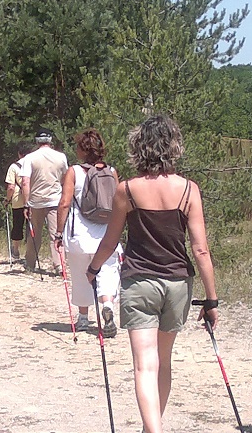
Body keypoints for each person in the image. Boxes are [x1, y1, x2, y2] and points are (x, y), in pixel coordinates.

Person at [87, 115, 219, 433]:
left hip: (139, 282)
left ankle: (153, 430)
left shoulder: (127, 190)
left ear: (138, 147)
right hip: (177, 284)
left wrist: (93, 269)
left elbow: (110, 240)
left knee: (145, 364)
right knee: (163, 359)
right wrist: (212, 299)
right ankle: (152, 427)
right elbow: (201, 249)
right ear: (173, 146)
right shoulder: (189, 190)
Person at [54, 128, 121, 337]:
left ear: (83, 150)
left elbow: (65, 203)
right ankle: (107, 305)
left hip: (79, 235)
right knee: (107, 272)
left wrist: (58, 232)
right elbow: (119, 204)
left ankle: (83, 318)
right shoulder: (111, 171)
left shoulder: (74, 171)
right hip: (106, 235)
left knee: (81, 275)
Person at [20, 128, 68, 273]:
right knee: (56, 233)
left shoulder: (30, 158)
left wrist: (26, 203)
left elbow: (25, 182)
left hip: (36, 201)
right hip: (55, 199)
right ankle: (59, 265)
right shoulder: (61, 157)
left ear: (37, 141)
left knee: (34, 233)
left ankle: (30, 263)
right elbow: (65, 178)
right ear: (50, 140)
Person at [4, 143, 32, 261]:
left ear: (19, 154)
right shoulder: (33, 164)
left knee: (17, 225)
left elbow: (11, 187)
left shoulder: (14, 167)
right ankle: (31, 252)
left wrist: (7, 199)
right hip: (33, 199)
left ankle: (15, 250)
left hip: (18, 200)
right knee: (31, 226)